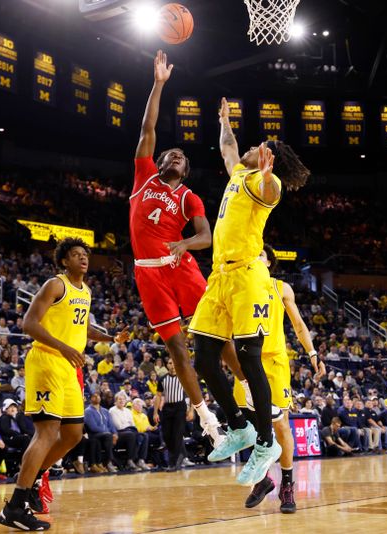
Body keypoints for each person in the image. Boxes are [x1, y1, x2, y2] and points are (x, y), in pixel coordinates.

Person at [187, 95, 310, 487]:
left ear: (267, 159)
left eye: (260, 147)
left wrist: (271, 175)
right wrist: (224, 119)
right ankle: (239, 426)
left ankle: (265, 441)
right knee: (204, 357)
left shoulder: (261, 183)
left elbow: (274, 193)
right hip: (220, 277)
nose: (253, 148)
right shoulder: (239, 174)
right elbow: (227, 148)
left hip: (249, 278)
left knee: (247, 356)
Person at [130, 50, 227, 445]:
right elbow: (147, 129)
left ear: (185, 170)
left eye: (182, 157)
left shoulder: (189, 197)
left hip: (180, 265)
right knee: (177, 350)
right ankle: (208, 422)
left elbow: (207, 237)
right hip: (148, 271)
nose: (175, 156)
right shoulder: (145, 177)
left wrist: (183, 243)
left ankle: (247, 389)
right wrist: (159, 84)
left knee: (215, 337)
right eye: (171, 153)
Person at [0, 238, 128, 530]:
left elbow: (83, 327)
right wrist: (64, 347)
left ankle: (33, 481)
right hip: (46, 361)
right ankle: (15, 507)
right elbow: (29, 323)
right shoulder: (55, 285)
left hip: (68, 367)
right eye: (76, 255)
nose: (82, 258)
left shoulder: (87, 291)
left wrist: (110, 338)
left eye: (85, 254)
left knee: (72, 434)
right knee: (47, 432)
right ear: (64, 261)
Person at [231, 245, 320, 512]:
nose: (255, 258)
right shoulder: (238, 286)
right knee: (247, 425)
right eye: (252, 254)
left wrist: (312, 352)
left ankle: (288, 485)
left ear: (269, 263)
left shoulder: (281, 288)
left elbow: (298, 324)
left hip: (274, 361)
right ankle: (263, 479)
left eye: (260, 255)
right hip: (247, 361)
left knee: (281, 426)